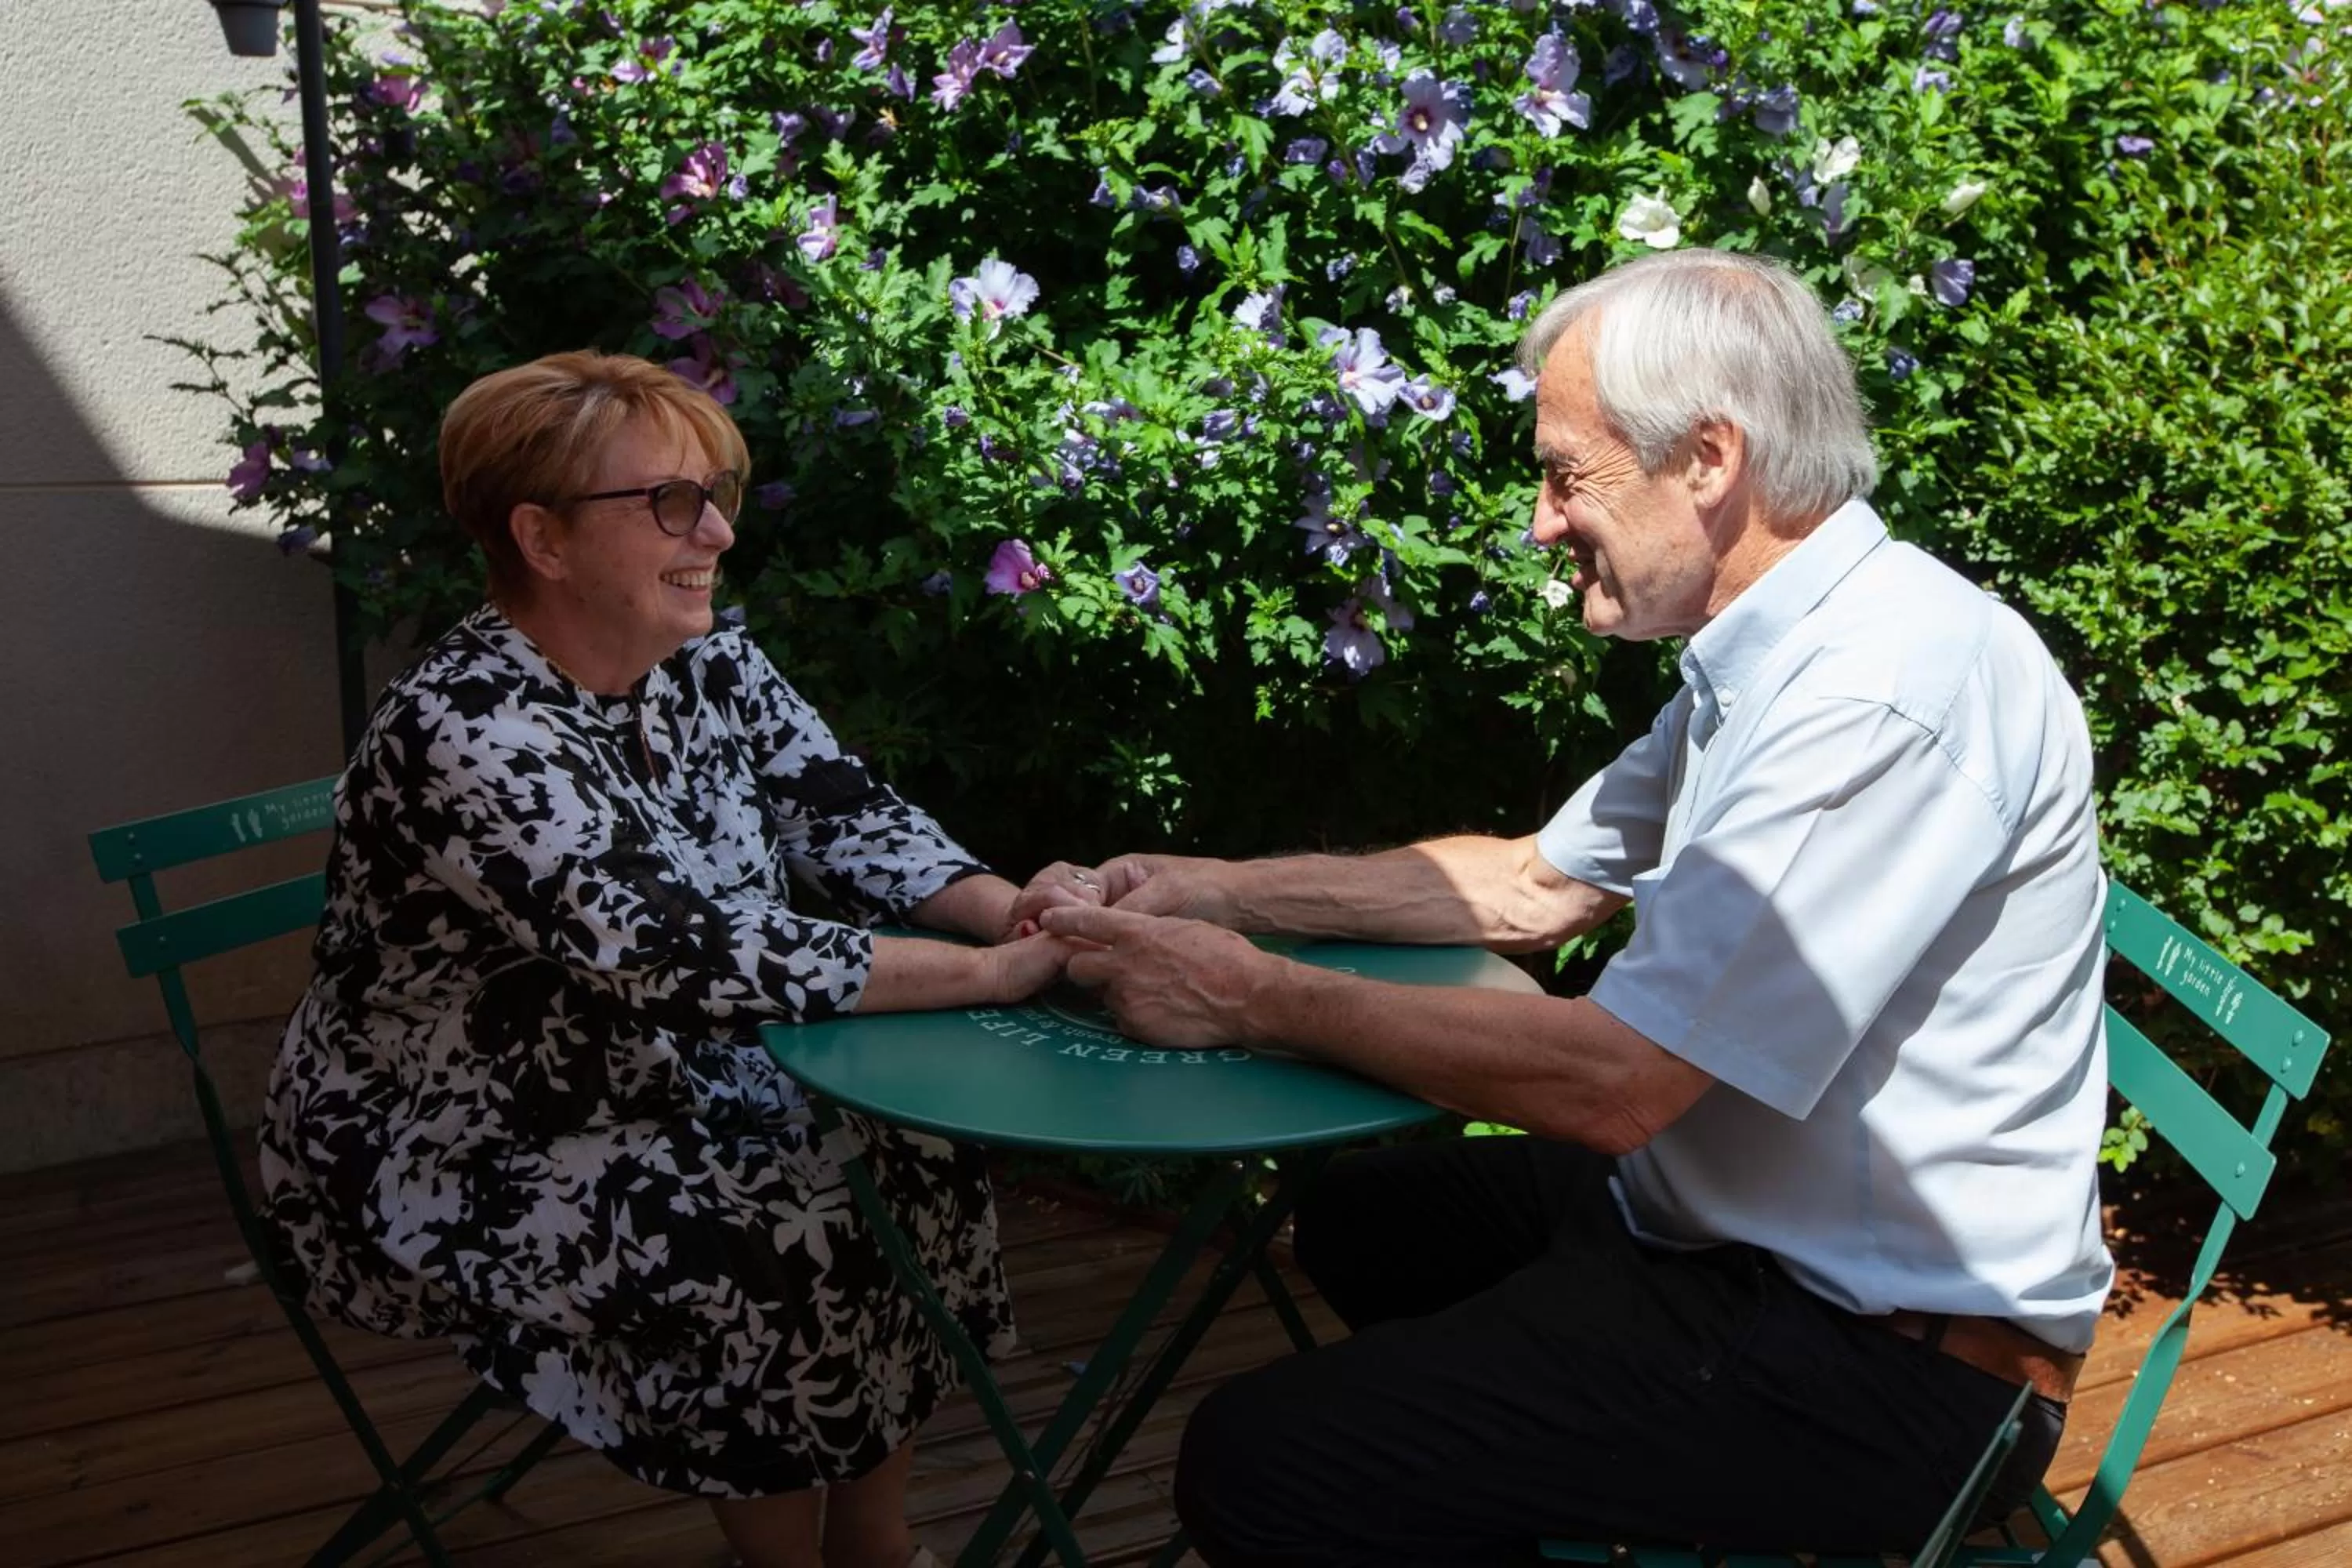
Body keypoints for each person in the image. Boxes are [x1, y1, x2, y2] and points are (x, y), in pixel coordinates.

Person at [1042, 249, 2115, 1563]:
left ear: (1709, 460)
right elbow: (1533, 885)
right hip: (1728, 1231)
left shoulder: (1874, 698)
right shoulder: (1788, 649)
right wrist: (1210, 888)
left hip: (1886, 1362)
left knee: (1264, 1461)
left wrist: (1248, 992)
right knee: (1363, 1221)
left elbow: (1621, 1087)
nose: (1543, 521)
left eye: (1568, 475)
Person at [260, 350, 1100, 1568]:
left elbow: (848, 811)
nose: (712, 530)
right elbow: (677, 948)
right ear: (543, 540)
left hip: (669, 1064)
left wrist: (1016, 912)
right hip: (453, 1127)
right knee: (748, 1220)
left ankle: (872, 1540)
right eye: (667, 502)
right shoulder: (470, 729)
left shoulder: (706, 660)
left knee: (909, 1145)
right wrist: (988, 978)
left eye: (717, 495)